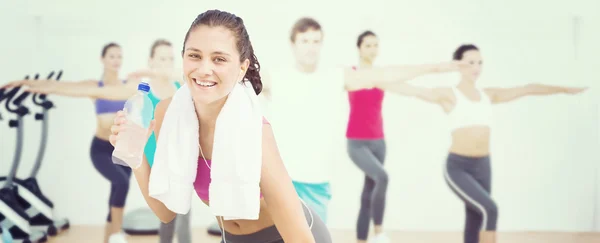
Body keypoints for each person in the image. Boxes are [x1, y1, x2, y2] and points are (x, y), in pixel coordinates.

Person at [109, 10, 332, 243]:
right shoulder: (169, 114)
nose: (205, 69)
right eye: (194, 55)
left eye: (219, 59)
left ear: (242, 68)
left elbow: (300, 238)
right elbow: (165, 211)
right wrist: (136, 155)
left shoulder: (255, 134)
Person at [262, 17, 467, 228]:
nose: (311, 47)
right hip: (282, 180)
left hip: (317, 180)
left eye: (316, 41)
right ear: (293, 44)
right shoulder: (275, 77)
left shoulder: (335, 76)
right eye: (305, 41)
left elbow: (385, 74)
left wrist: (438, 68)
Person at [382, 44, 587, 243]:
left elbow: (527, 89)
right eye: (471, 62)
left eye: (480, 63)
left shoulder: (488, 95)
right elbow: (412, 90)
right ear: (458, 65)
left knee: (476, 217)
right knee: (490, 209)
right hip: (458, 167)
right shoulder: (449, 94)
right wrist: (374, 80)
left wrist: (563, 89)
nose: (477, 68)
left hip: (483, 166)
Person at [2, 43, 138, 243]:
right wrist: (22, 82)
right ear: (102, 59)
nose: (116, 60)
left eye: (119, 56)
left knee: (117, 191)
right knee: (121, 183)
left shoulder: (129, 85)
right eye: (112, 56)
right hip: (101, 149)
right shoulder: (95, 87)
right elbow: (62, 87)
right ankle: (117, 236)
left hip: (123, 149)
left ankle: (109, 237)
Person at [126, 39, 192, 243]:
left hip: (181, 164)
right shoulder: (143, 92)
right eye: (162, 58)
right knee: (166, 220)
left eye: (170, 58)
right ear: (151, 60)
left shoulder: (180, 86)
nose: (167, 63)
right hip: (156, 166)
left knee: (183, 221)